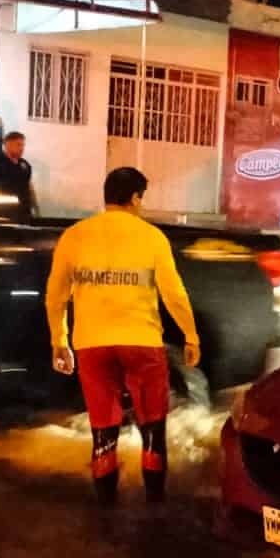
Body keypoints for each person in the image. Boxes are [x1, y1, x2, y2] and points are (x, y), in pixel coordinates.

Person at [45, 166, 200, 539]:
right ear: (134, 198)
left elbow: (55, 295)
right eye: (141, 198)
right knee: (152, 428)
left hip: (92, 344)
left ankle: (106, 517)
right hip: (141, 341)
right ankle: (155, 512)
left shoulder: (74, 236)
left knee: (103, 432)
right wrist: (191, 335)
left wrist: (59, 340)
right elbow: (174, 294)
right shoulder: (151, 237)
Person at [0, 130, 40, 217]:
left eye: (23, 145)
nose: (22, 148)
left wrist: (36, 208)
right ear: (7, 145)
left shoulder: (25, 165)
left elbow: (29, 186)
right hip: (4, 212)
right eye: (18, 145)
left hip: (24, 212)